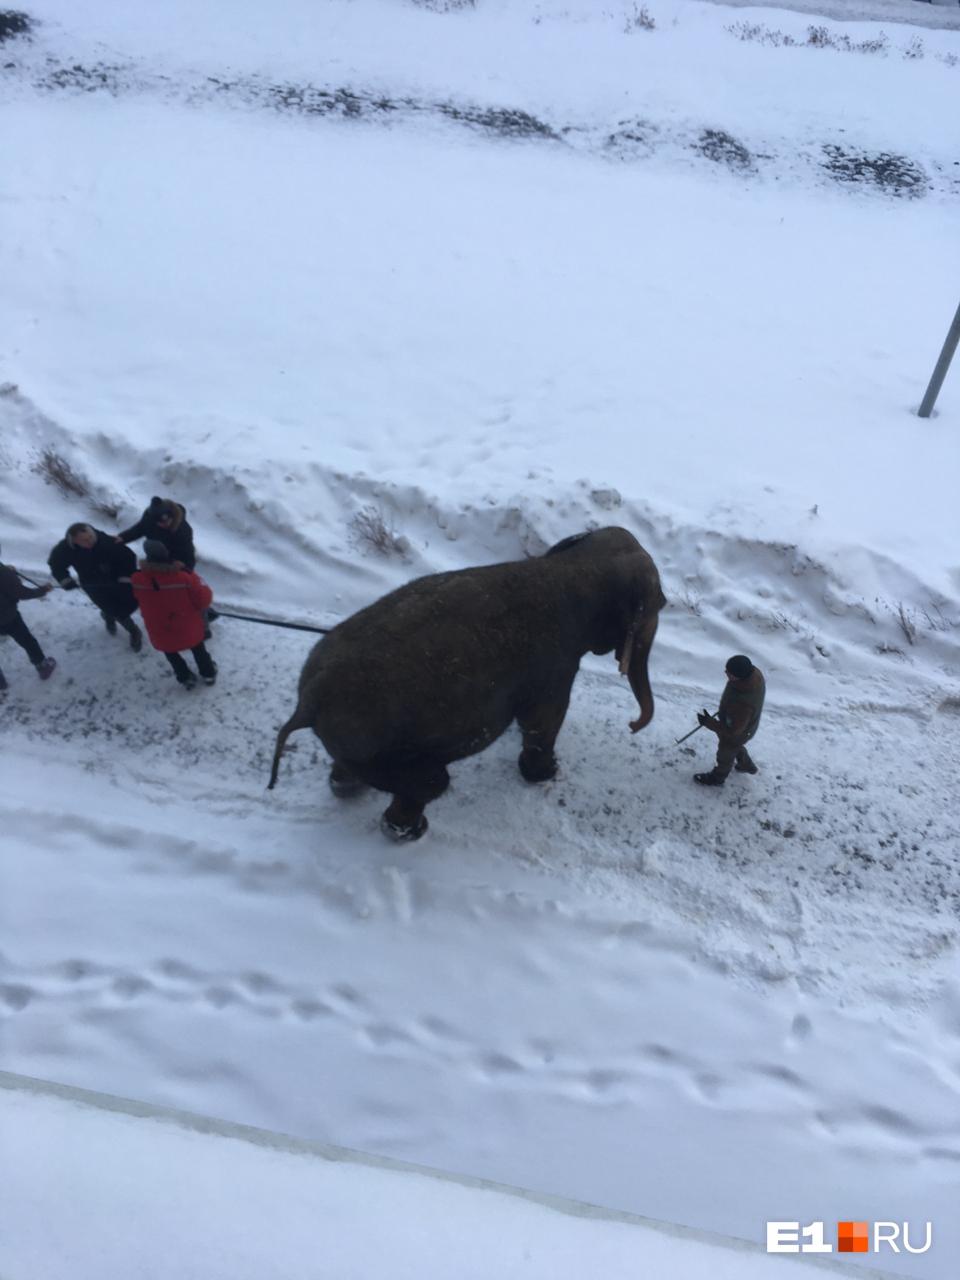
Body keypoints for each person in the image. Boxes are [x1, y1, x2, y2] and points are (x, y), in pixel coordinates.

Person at [131, 539, 218, 690]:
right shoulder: (183, 577)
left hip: (159, 627)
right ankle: (208, 673)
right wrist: (193, 576)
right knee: (198, 649)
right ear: (167, 553)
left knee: (171, 653)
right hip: (186, 625)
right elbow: (204, 600)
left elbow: (139, 597)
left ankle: (185, 678)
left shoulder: (137, 578)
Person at [48, 523, 143, 651]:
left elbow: (128, 558)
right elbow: (56, 564)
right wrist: (65, 580)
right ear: (75, 541)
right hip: (92, 585)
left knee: (121, 608)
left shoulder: (107, 542)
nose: (90, 541)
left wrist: (124, 577)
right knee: (107, 606)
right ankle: (116, 620)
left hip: (116, 582)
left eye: (91, 537)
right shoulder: (65, 548)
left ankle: (130, 628)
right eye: (84, 541)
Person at [693, 654, 765, 787]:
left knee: (726, 752)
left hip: (738, 731)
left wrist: (709, 722)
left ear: (740, 676)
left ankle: (717, 778)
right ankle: (747, 765)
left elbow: (732, 732)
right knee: (735, 746)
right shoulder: (753, 675)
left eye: (730, 674)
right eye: (727, 671)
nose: (727, 675)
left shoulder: (743, 705)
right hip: (741, 725)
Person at [0, 544, 57, 684]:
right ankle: (43, 666)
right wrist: (42, 590)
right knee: (26, 640)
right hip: (7, 617)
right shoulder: (2, 573)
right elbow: (21, 593)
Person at [116, 496, 196, 571]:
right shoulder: (149, 520)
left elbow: (189, 553)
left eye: (168, 520)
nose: (166, 524)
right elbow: (139, 529)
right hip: (154, 558)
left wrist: (185, 566)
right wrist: (123, 537)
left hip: (175, 562)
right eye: (161, 523)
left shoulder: (183, 530)